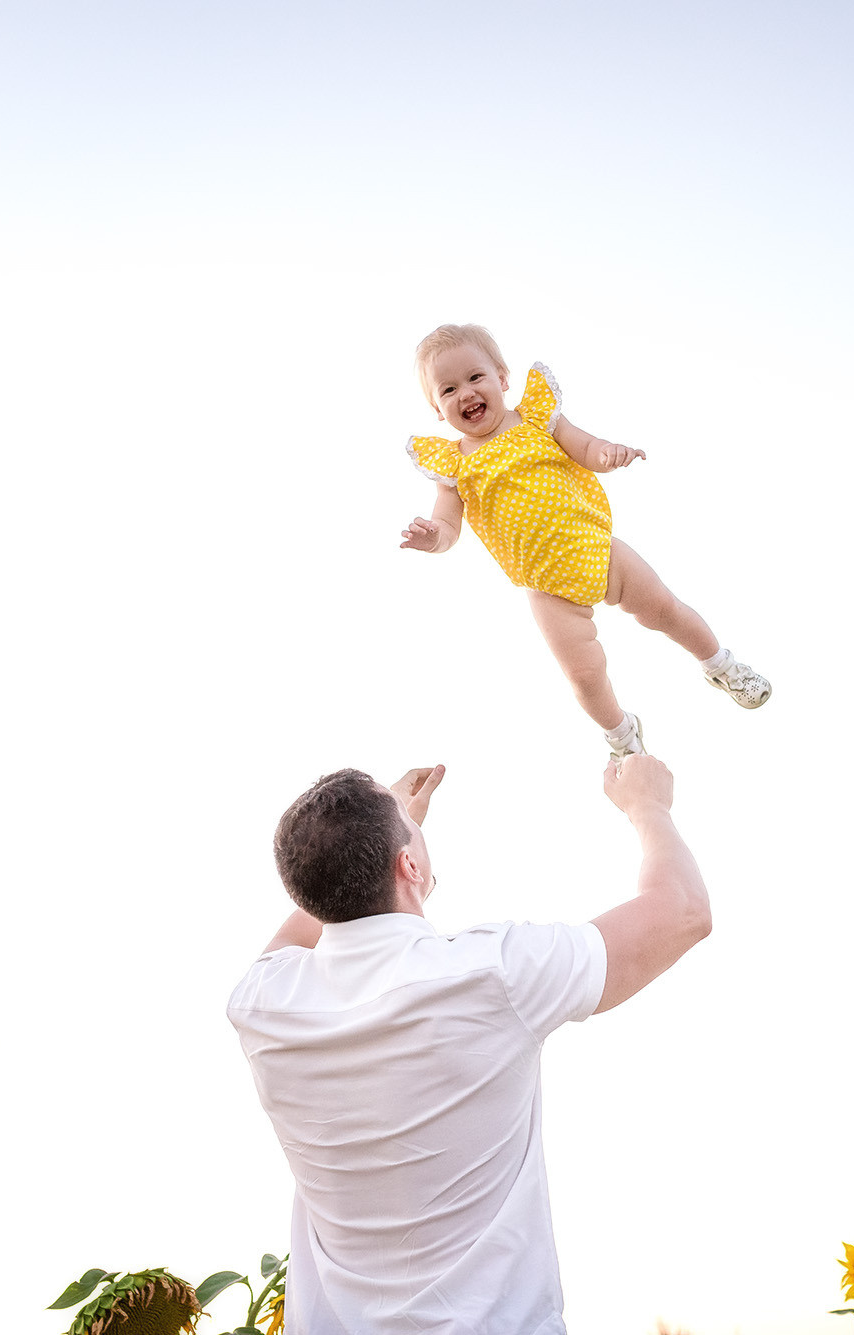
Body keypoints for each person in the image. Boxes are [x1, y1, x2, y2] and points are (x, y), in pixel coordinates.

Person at [226, 755, 711, 1335]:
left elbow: (319, 904)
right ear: (410, 863)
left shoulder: (261, 1004)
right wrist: (648, 806)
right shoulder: (491, 974)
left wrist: (378, 834)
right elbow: (683, 910)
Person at [399, 323, 771, 759]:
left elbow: (587, 448)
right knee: (584, 675)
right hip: (546, 586)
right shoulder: (454, 464)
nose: (465, 393)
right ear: (437, 409)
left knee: (666, 610)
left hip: (598, 549)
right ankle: (622, 736)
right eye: (448, 389)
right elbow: (448, 526)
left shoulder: (536, 419)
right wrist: (434, 537)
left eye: (475, 377)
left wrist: (608, 454)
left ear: (501, 378)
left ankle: (721, 665)